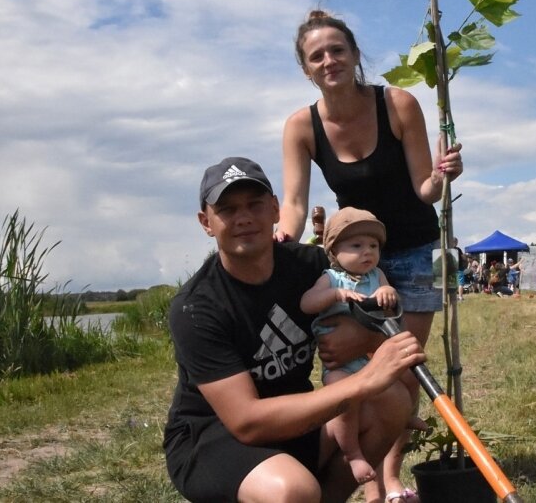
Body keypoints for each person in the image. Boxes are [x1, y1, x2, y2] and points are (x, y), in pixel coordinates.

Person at [277, 9, 463, 502]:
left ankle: (390, 479)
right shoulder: (302, 126)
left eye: (338, 50)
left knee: (400, 369)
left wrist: (444, 176)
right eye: (317, 55)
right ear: (306, 68)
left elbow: (425, 188)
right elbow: (293, 202)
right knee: (351, 360)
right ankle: (361, 467)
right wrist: (283, 241)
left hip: (415, 252)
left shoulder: (397, 104)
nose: (329, 60)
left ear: (356, 56)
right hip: (353, 261)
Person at [163, 157, 424, 503]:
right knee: (291, 490)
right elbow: (247, 421)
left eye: (255, 205)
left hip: (296, 416)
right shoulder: (196, 307)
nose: (243, 218)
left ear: (274, 209)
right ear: (206, 222)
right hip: (214, 435)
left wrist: (366, 338)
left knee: (391, 401)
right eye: (227, 209)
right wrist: (364, 380)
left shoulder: (311, 267)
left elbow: (379, 323)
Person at [300, 207, 398, 486]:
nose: (367, 251)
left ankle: (402, 419)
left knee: (400, 384)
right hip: (340, 365)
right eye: (356, 245)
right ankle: (352, 453)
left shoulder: (376, 276)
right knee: (344, 404)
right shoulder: (331, 278)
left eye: (373, 245)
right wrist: (332, 295)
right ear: (334, 251)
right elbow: (306, 303)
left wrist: (387, 292)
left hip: (372, 357)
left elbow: (391, 301)